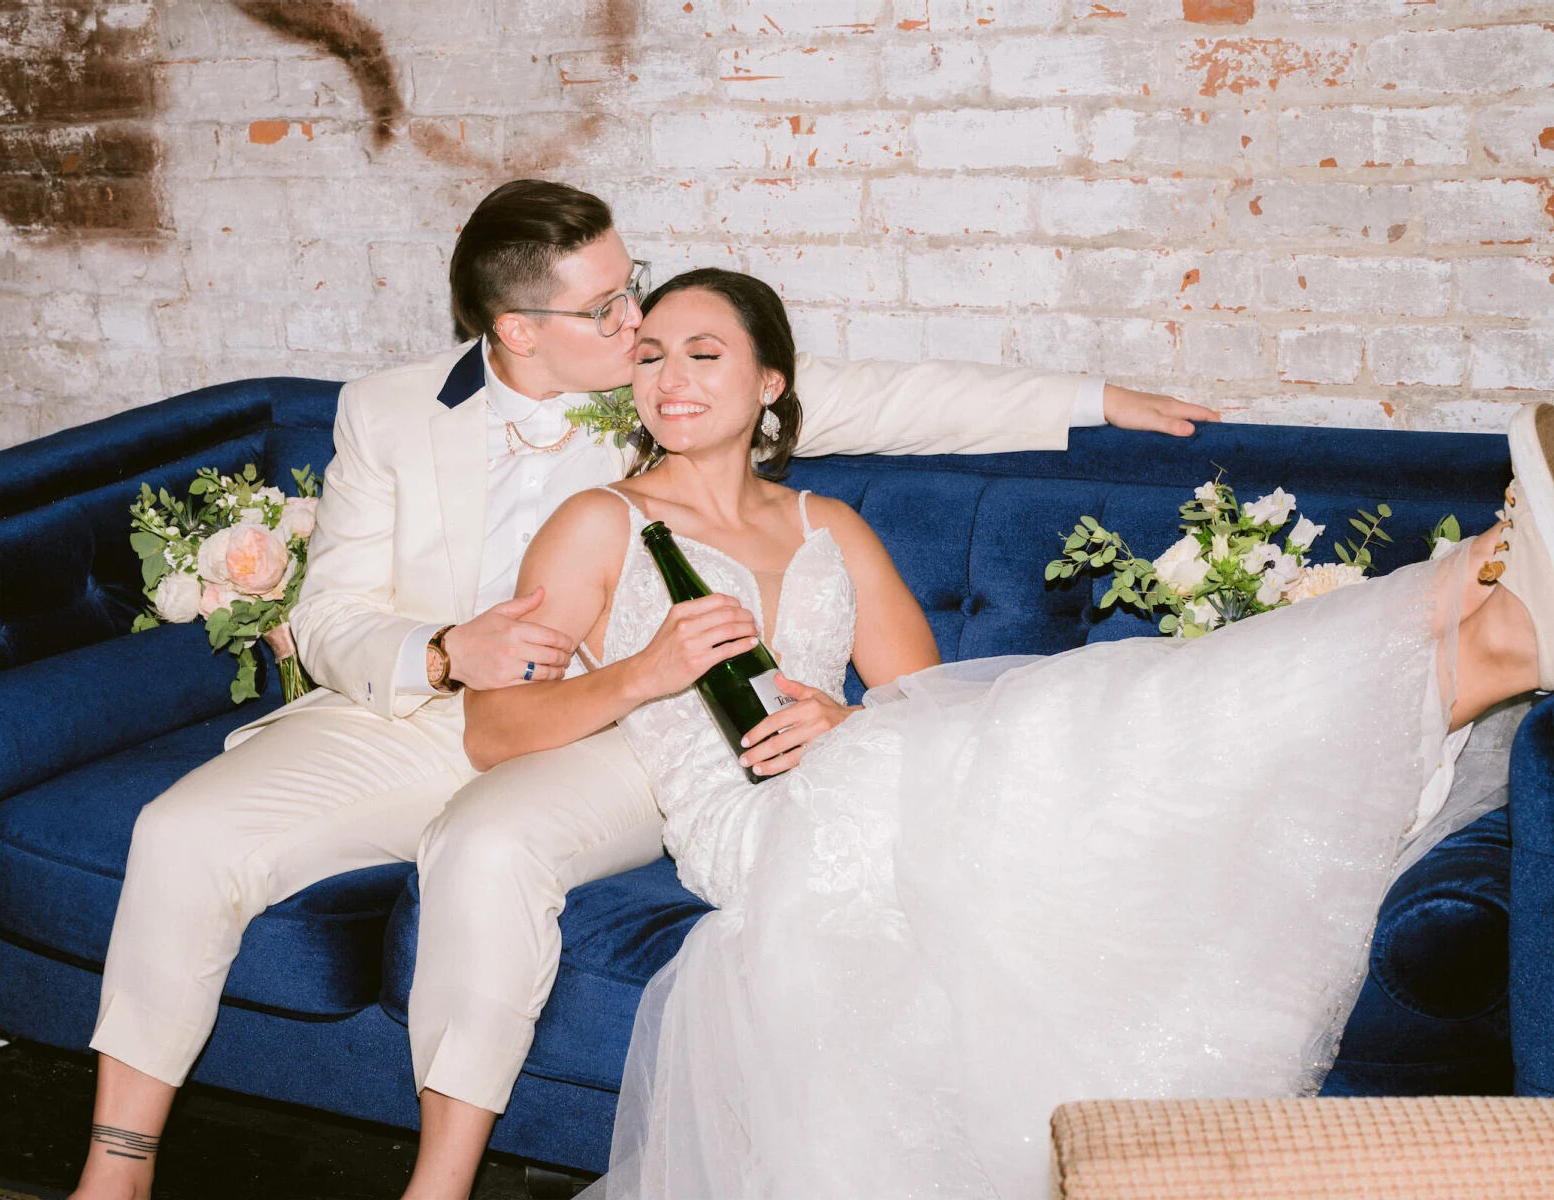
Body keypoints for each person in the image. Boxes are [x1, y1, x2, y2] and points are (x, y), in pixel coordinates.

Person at [68, 181, 1214, 1200]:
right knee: (181, 834)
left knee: (492, 846)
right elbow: (331, 616)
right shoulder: (387, 411)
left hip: (610, 726)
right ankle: (115, 1170)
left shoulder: (666, 386)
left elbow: (894, 396)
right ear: (519, 329)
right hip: (410, 709)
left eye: (640, 295)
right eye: (612, 308)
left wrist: (1096, 398)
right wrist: (442, 651)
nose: (639, 326)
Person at [464, 266, 1544, 1199]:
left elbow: (936, 699)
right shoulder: (604, 521)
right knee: (1092, 747)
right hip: (756, 827)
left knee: (1073, 738)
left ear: (771, 385)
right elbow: (494, 725)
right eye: (649, 356)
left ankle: (1488, 623)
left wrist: (847, 718)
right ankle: (1483, 614)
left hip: (867, 772)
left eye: (704, 354)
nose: (670, 378)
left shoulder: (824, 523)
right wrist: (646, 673)